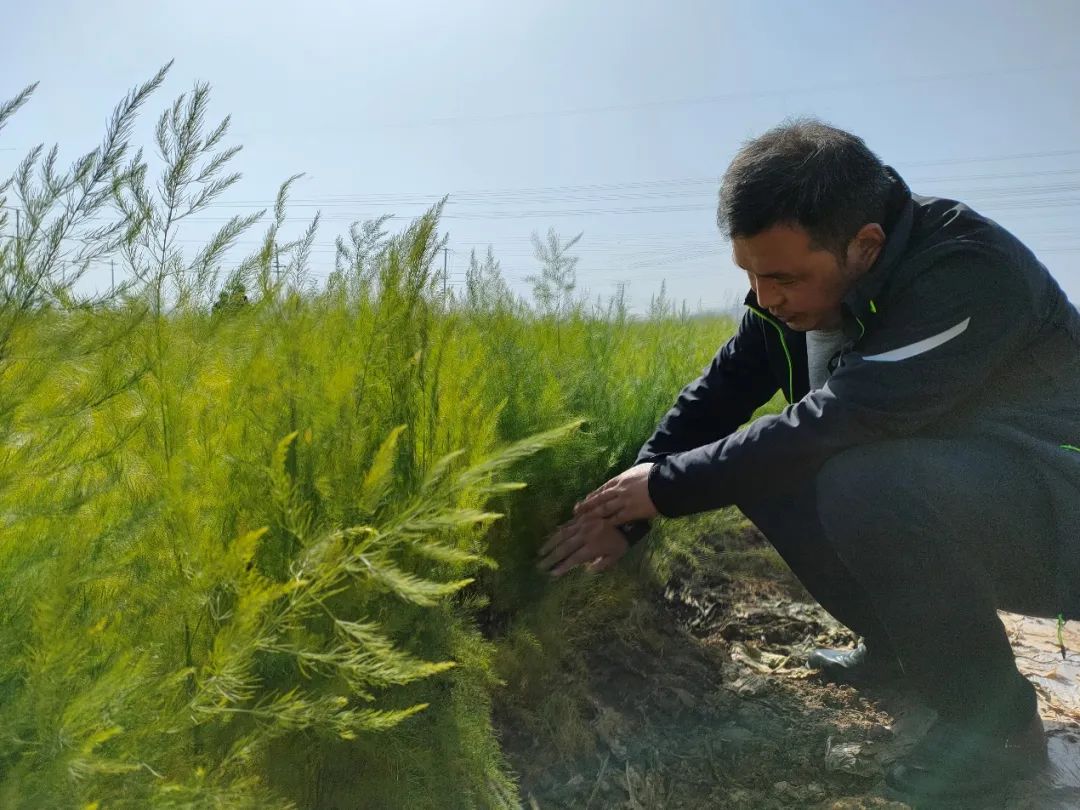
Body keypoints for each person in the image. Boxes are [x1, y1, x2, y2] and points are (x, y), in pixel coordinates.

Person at [537, 118, 1080, 802]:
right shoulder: (790, 300)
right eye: (752, 275)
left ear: (865, 246)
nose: (765, 298)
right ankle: (902, 653)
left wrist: (665, 488)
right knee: (761, 469)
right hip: (972, 497)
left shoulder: (968, 271)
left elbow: (840, 420)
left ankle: (997, 728)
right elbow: (720, 394)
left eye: (783, 277)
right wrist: (628, 508)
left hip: (1061, 515)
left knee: (863, 478)